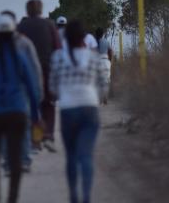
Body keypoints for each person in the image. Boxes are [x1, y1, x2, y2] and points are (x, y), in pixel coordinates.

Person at [0, 14, 41, 203]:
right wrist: (35, 115)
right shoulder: (20, 56)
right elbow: (31, 86)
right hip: (17, 111)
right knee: (15, 158)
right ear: (13, 34)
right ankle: (12, 198)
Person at [49, 20, 108, 203]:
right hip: (90, 108)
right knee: (86, 155)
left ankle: (73, 195)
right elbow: (104, 87)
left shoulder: (58, 57)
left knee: (72, 156)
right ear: (85, 37)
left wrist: (64, 94)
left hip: (68, 109)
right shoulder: (94, 57)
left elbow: (52, 88)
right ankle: (86, 197)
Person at [18, 0, 60, 152]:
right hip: (47, 68)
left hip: (27, 71)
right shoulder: (49, 25)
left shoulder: (21, 26)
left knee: (31, 105)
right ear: (41, 10)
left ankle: (36, 138)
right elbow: (57, 47)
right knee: (48, 103)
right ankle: (48, 135)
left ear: (27, 11)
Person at [95, 27, 112, 104]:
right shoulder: (106, 41)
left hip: (97, 62)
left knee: (97, 81)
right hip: (106, 61)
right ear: (103, 34)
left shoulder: (94, 42)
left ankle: (99, 99)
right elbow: (110, 52)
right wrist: (110, 61)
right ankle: (105, 97)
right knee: (106, 81)